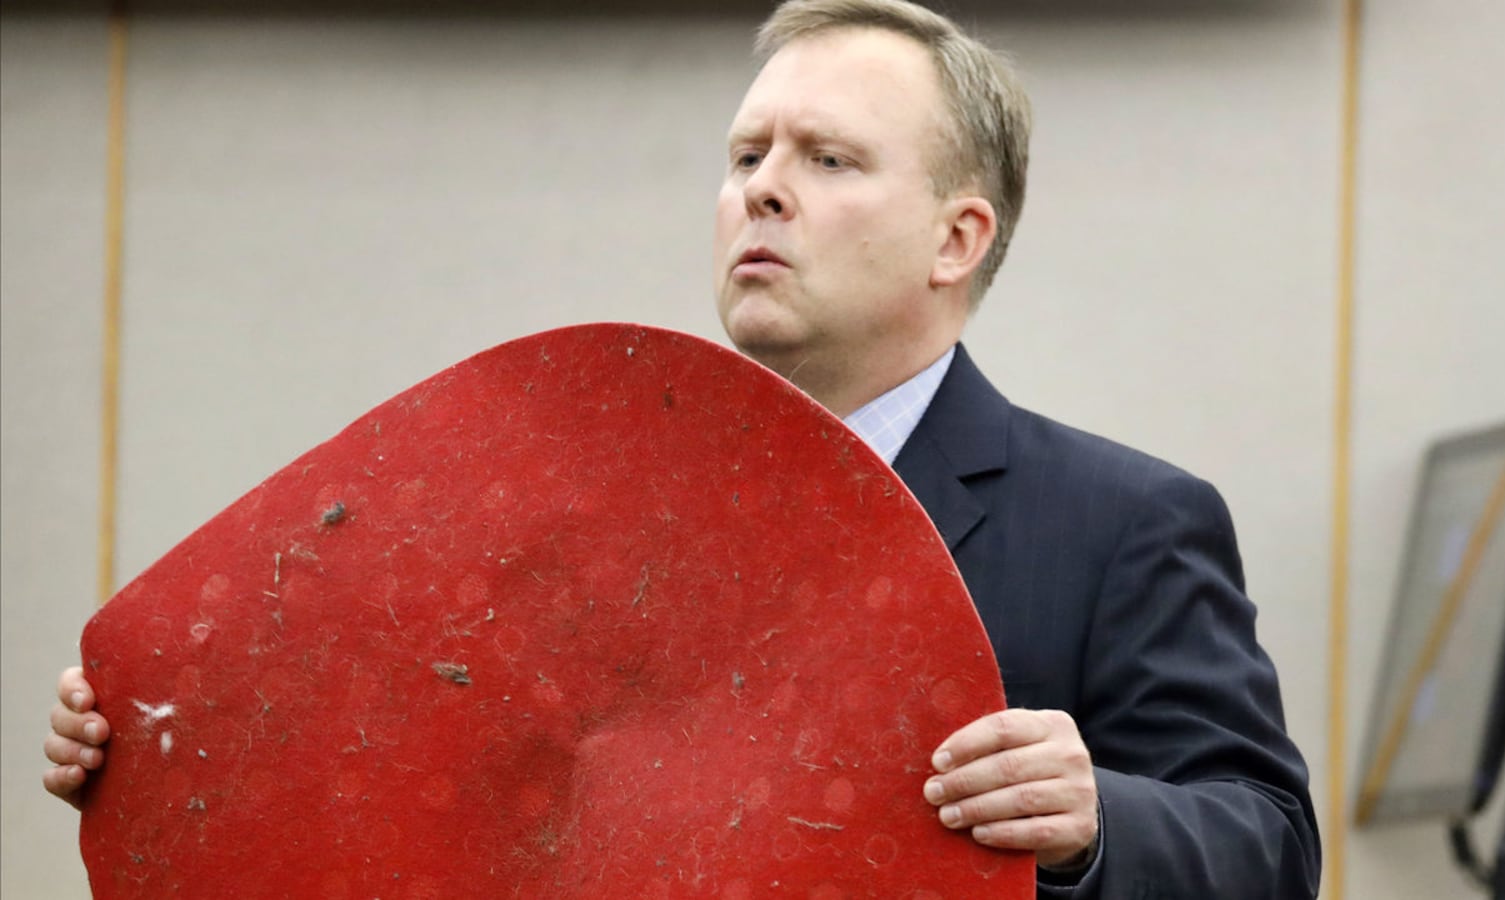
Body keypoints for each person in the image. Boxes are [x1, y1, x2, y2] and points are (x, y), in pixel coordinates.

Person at [47, 1, 1321, 896]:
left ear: (957, 238)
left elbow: (1269, 841)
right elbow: (431, 762)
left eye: (827, 160)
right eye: (745, 155)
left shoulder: (1123, 522)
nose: (761, 189)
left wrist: (1097, 826)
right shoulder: (578, 501)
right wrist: (163, 732)